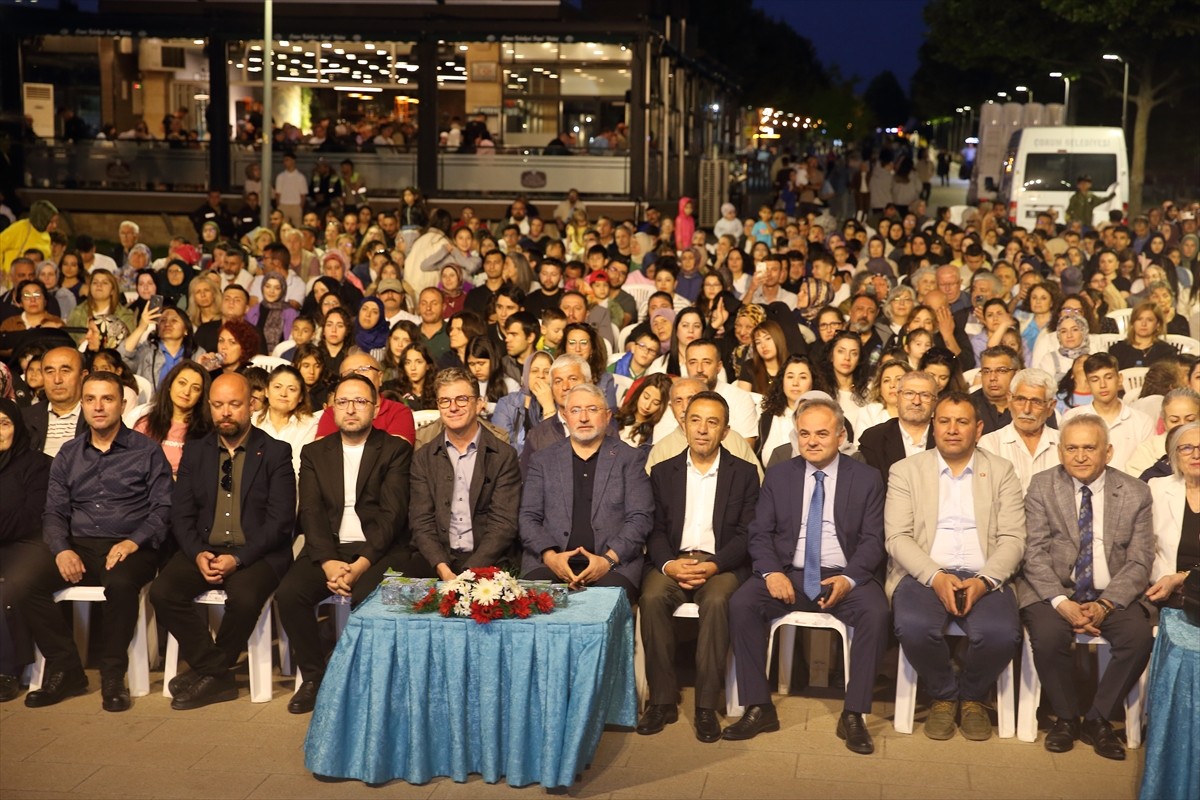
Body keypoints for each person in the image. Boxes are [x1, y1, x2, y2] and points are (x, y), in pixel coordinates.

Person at [723, 396, 891, 755]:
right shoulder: (780, 474)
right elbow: (760, 532)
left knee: (876, 614)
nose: (812, 441)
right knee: (741, 604)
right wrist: (770, 573)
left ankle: (854, 714)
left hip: (844, 574)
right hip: (789, 572)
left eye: (822, 433)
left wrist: (849, 579)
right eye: (804, 434)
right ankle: (759, 706)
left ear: (842, 435)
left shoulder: (866, 478)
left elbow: (873, 541)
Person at [18, 371, 172, 711]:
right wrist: (62, 549)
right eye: (90, 399)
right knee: (24, 584)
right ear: (83, 404)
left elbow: (163, 508)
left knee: (120, 584)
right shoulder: (69, 454)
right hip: (80, 544)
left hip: (132, 545)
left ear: (122, 403)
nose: (98, 407)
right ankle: (66, 666)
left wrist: (134, 541)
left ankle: (113, 674)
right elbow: (54, 512)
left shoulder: (147, 452)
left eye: (107, 399)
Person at [885, 392, 1027, 741]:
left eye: (962, 422)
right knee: (913, 626)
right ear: (933, 427)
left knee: (1002, 634)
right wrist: (936, 577)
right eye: (944, 421)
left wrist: (985, 580)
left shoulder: (1000, 471)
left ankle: (974, 695)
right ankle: (944, 695)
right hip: (923, 573)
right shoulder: (906, 471)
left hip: (986, 574)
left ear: (978, 428)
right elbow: (898, 537)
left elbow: (1013, 539)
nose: (952, 429)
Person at [150, 373, 296, 710]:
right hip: (204, 547)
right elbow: (181, 515)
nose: (225, 412)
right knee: (162, 592)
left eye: (234, 404)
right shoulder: (197, 452)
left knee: (243, 597)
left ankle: (209, 675)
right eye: (218, 405)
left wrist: (240, 559)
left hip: (258, 554)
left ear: (252, 405)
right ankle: (217, 673)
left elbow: (280, 522)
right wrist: (198, 553)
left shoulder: (275, 452)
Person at [276, 373, 420, 714]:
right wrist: (326, 560)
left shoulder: (395, 449)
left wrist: (361, 565)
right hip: (330, 549)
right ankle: (314, 677)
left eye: (359, 402)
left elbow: (393, 515)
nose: (351, 409)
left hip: (380, 550)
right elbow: (310, 512)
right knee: (289, 594)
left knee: (366, 594)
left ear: (376, 407)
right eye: (343, 402)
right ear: (332, 408)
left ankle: (362, 683)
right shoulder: (314, 453)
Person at [1018, 415, 1155, 760]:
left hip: (1112, 594)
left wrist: (1106, 605)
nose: (1080, 456)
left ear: (1107, 452)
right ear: (1061, 452)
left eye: (1089, 448)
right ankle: (1066, 717)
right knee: (1048, 637)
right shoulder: (1042, 486)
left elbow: (1140, 561)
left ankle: (1097, 718)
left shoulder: (1136, 493)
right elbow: (1032, 553)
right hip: (1053, 591)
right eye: (1072, 448)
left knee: (1138, 639)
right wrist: (1062, 601)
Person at [639, 391, 759, 743]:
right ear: (684, 423)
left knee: (719, 601)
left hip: (720, 564)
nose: (702, 430)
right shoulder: (662, 471)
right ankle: (661, 701)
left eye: (712, 422)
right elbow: (655, 529)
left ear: (725, 431)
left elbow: (746, 533)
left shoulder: (745, 473)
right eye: (695, 420)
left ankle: (706, 706)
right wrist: (669, 565)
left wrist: (716, 565)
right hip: (673, 561)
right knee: (651, 598)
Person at [518, 382, 653, 601]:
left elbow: (640, 519)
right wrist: (551, 557)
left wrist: (607, 561)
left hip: (613, 565)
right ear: (564, 415)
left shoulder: (630, 459)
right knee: (538, 603)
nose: (583, 418)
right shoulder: (543, 460)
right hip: (549, 563)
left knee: (603, 602)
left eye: (592, 409)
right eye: (575, 410)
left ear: (608, 416)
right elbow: (528, 517)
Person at [409, 368, 521, 580]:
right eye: (445, 401)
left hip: (489, 560)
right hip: (435, 560)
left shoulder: (503, 455)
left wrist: (469, 573)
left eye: (461, 399)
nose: (453, 408)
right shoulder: (423, 457)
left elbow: (503, 524)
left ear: (479, 403)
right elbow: (421, 521)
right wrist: (442, 568)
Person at [0, 398, 52, 701]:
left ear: (17, 428)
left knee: (7, 585)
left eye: (4, 423)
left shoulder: (37, 464)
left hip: (26, 548)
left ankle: (7, 669)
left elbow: (30, 516)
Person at [645, 377, 764, 481]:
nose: (685, 407)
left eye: (691, 399)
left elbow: (756, 484)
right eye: (678, 401)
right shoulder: (661, 449)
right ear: (671, 408)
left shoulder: (734, 439)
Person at [1063, 353, 1156, 473]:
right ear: (1088, 383)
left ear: (1120, 379)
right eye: (1095, 379)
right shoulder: (1072, 418)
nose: (1102, 385)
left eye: (1108, 377)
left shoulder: (1142, 421)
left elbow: (1146, 467)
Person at [977, 368, 1062, 492]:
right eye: (1020, 399)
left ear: (1050, 407)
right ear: (1009, 400)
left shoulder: (1064, 443)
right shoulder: (990, 444)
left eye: (1036, 402)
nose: (1027, 409)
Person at [132, 360, 212, 479]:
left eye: (195, 388)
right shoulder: (145, 425)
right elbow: (132, 465)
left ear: (201, 396)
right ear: (170, 385)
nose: (186, 392)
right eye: (182, 383)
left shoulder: (207, 432)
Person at [857, 370, 937, 488]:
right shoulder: (874, 439)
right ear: (897, 398)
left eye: (925, 395)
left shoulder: (948, 436)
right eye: (909, 394)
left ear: (935, 401)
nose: (916, 401)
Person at [314, 352, 416, 444]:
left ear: (380, 377)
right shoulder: (333, 412)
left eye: (363, 369)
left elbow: (397, 453)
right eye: (349, 373)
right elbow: (321, 454)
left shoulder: (398, 412)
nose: (356, 375)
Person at [253, 364, 319, 477]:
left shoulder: (311, 424)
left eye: (291, 389)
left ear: (301, 397)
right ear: (267, 391)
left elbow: (302, 469)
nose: (283, 394)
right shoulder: (251, 421)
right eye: (277, 387)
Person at [22, 346, 87, 457]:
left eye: (65, 371)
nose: (57, 380)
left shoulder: (97, 416)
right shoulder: (25, 418)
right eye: (50, 372)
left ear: (83, 376)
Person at [971, 345, 1022, 435]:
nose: (992, 377)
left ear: (1016, 374)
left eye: (1001, 371)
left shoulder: (1032, 405)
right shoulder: (968, 406)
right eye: (986, 371)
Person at [614, 373, 673, 450]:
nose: (647, 406)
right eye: (646, 397)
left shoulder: (654, 436)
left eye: (656, 403)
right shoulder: (614, 416)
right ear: (639, 393)